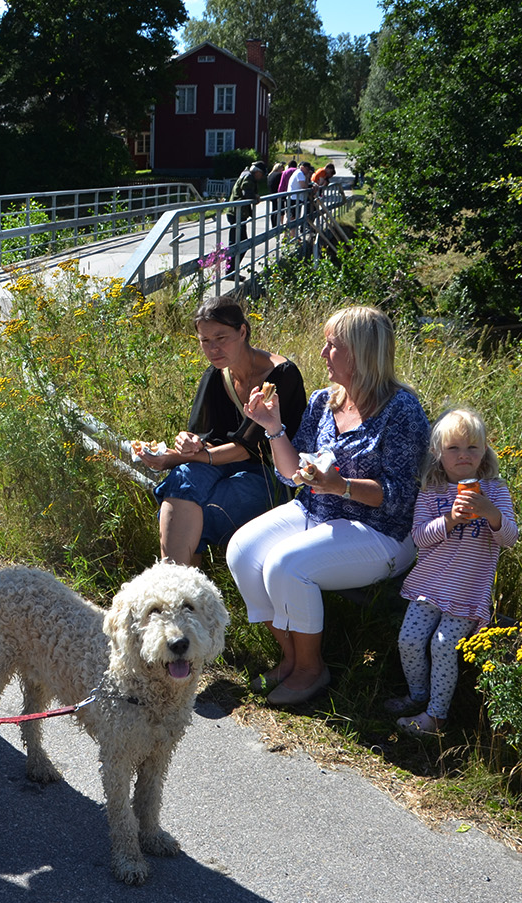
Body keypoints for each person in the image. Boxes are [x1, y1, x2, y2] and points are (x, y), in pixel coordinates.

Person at [226, 306, 429, 706]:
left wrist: (342, 486)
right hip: (318, 512)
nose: (321, 353)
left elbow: (401, 494)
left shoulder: (402, 411)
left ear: (359, 353)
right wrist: (272, 427)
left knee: (286, 564)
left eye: (332, 346)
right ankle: (291, 658)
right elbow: (291, 474)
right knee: (243, 550)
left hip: (381, 531)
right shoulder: (324, 401)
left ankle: (311, 669)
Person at [138, 298, 307, 565]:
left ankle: (179, 591)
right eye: (205, 340)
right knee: (183, 480)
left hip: (270, 474)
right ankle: (180, 593)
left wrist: (176, 458)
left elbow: (247, 448)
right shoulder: (216, 375)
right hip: (221, 463)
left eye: (220, 337)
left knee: (191, 511)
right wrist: (186, 444)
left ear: (242, 332)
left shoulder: (281, 375)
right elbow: (205, 441)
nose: (213, 348)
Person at [386, 407, 518, 737]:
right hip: (429, 585)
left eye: (472, 448)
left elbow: (510, 539)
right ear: (437, 453)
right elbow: (419, 537)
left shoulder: (495, 490)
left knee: (443, 645)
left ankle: (436, 716)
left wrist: (490, 513)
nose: (463, 456)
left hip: (467, 592)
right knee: (410, 640)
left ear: (485, 449)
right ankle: (418, 695)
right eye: (453, 449)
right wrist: (450, 520)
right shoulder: (432, 491)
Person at [227, 161, 266, 252]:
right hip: (237, 212)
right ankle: (231, 265)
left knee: (240, 242)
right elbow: (246, 193)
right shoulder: (248, 177)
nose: (261, 177)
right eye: (262, 174)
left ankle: (232, 265)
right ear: (257, 172)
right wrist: (255, 196)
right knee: (238, 242)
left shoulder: (247, 175)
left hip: (237, 212)